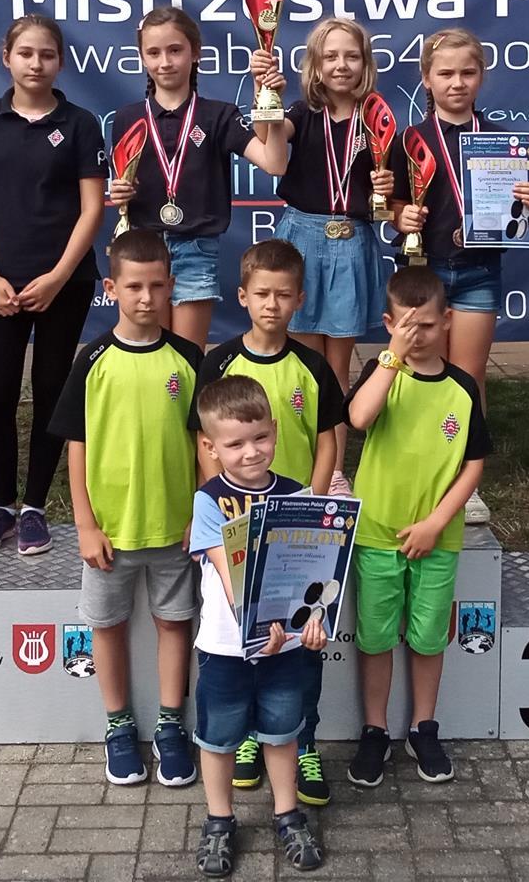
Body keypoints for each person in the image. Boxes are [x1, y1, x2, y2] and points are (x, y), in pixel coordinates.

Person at [189, 238, 343, 806]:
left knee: (301, 638)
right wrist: (222, 498)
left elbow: (329, 440)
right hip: (237, 517)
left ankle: (305, 743)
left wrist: (314, 509)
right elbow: (205, 441)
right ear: (243, 297)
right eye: (262, 294)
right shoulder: (220, 362)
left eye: (283, 295)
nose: (272, 305)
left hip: (297, 520)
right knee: (253, 635)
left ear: (299, 299)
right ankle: (252, 740)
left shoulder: (313, 365)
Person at [48, 230, 203, 786]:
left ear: (171, 286)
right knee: (108, 627)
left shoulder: (189, 358)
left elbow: (204, 446)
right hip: (110, 532)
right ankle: (117, 725)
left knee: (174, 623)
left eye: (157, 286)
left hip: (174, 528)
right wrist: (85, 524)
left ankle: (170, 725)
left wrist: (200, 516)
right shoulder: (92, 360)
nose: (146, 297)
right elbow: (77, 447)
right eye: (134, 286)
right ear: (111, 288)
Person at [0, 15, 106, 556]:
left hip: (64, 283)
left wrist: (58, 277)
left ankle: (36, 508)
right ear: (7, 58)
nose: (36, 64)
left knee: (51, 390)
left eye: (46, 54)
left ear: (60, 61)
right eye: (25, 53)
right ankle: (2, 505)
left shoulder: (82, 123)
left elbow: (92, 210)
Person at [343, 266, 490, 787]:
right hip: (376, 533)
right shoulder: (381, 372)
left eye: (427, 325)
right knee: (376, 637)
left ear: (447, 320)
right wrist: (391, 357)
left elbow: (473, 463)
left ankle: (423, 726)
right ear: (389, 325)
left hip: (436, 538)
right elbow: (359, 418)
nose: (418, 335)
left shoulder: (463, 387)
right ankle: (375, 729)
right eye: (407, 326)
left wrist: (436, 522)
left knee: (428, 639)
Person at [391, 27, 529, 522]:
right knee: (420, 372)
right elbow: (391, 203)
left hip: (479, 271)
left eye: (467, 73)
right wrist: (399, 215)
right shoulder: (408, 140)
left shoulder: (502, 142)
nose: (457, 83)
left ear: (481, 77)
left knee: (467, 378)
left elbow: (518, 212)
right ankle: (420, 470)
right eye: (446, 74)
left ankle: (465, 479)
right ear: (427, 79)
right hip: (425, 271)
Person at [188, 375, 327, 877]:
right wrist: (257, 625)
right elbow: (230, 574)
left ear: (275, 431)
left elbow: (314, 571)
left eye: (261, 437)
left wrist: (315, 619)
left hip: (285, 648)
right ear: (211, 447)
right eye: (235, 444)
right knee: (219, 739)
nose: (251, 451)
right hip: (227, 648)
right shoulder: (209, 501)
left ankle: (288, 816)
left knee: (282, 733)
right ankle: (219, 821)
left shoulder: (296, 495)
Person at [248, 19, 394, 493]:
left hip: (352, 241)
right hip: (302, 241)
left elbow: (393, 190)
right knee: (303, 363)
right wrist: (265, 93)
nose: (341, 65)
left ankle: (332, 470)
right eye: (330, 56)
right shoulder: (302, 112)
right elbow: (270, 142)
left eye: (351, 56)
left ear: (365, 63)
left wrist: (388, 187)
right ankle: (298, 461)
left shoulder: (377, 120)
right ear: (315, 64)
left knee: (336, 368)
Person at [108, 7, 286, 349]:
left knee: (187, 358)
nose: (165, 62)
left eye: (175, 50)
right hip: (143, 249)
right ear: (141, 58)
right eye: (153, 53)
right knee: (147, 353)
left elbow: (274, 163)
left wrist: (269, 101)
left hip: (196, 248)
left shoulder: (218, 115)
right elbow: (124, 189)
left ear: (196, 53)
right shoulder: (128, 118)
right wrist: (120, 193)